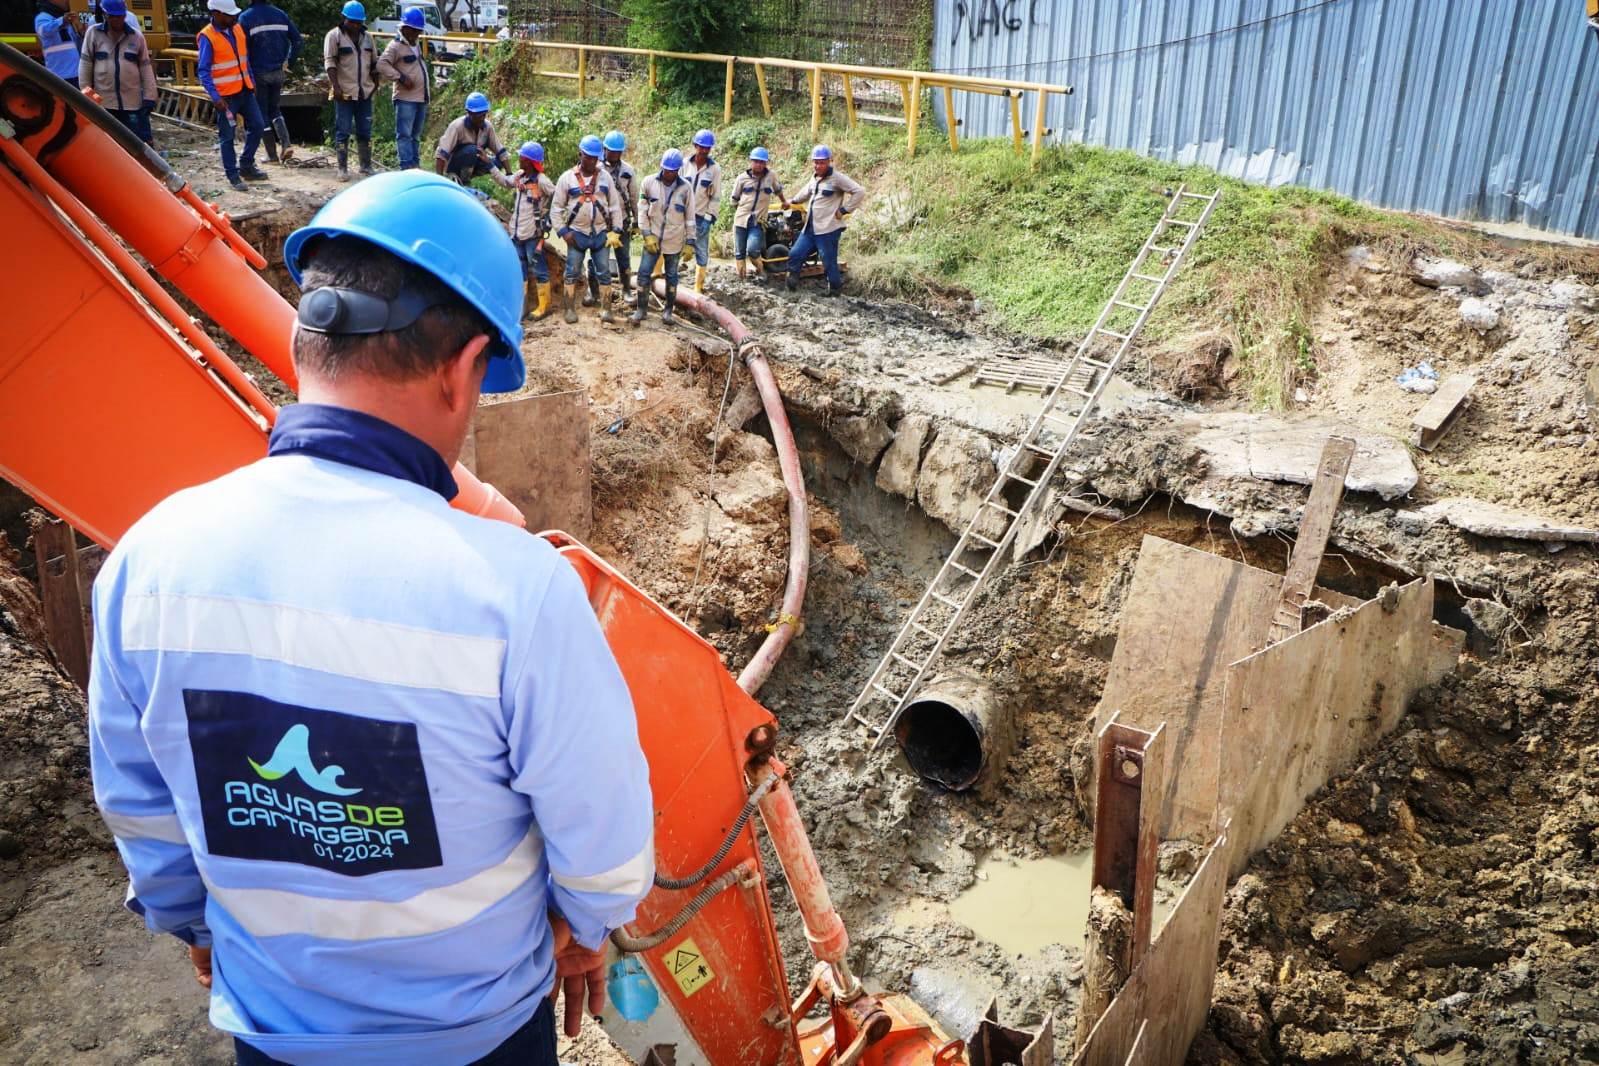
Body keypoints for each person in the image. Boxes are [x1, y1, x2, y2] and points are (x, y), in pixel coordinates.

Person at [88, 170, 655, 1066]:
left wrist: (192, 922)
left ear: (307, 338)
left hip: (274, 1033)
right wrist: (587, 930)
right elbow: (604, 840)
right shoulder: (515, 589)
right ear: (466, 368)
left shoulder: (147, 561)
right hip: (475, 1038)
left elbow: (142, 805)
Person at [551, 133, 623, 325]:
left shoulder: (605, 177)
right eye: (588, 156)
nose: (591, 161)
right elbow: (556, 209)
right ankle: (569, 309)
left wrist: (616, 230)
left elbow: (615, 206)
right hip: (576, 234)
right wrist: (563, 232)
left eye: (595, 158)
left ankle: (606, 309)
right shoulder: (567, 179)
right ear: (580, 154)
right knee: (572, 271)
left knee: (604, 271)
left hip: (600, 233)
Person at [197, 0, 268, 193]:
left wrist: (251, 82)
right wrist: (215, 96)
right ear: (217, 13)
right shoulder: (207, 36)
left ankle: (246, 165)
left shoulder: (237, 30)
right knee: (227, 137)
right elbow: (203, 71)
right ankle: (233, 175)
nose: (234, 17)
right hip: (226, 98)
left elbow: (245, 60)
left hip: (244, 90)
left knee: (258, 125)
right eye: (230, 15)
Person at [785, 144, 864, 297]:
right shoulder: (814, 177)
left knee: (828, 261)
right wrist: (792, 201)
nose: (818, 165)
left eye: (821, 162)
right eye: (816, 162)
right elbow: (805, 192)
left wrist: (844, 210)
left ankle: (834, 291)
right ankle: (791, 286)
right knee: (795, 254)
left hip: (828, 229)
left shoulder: (837, 178)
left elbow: (859, 191)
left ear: (829, 161)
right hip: (810, 227)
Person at [78, 0, 156, 145]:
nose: (117, 20)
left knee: (135, 142)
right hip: (104, 103)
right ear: (106, 15)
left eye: (120, 16)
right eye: (113, 17)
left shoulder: (136, 37)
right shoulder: (93, 34)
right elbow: (85, 65)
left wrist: (150, 97)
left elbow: (145, 68)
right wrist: (87, 95)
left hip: (131, 103)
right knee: (107, 144)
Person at [495, 140, 556, 321]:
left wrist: (550, 219)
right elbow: (505, 181)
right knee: (519, 269)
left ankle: (544, 306)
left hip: (532, 234)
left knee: (539, 269)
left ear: (529, 161)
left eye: (522, 157)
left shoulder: (542, 181)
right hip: (517, 233)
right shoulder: (520, 176)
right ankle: (522, 307)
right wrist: (490, 166)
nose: (519, 160)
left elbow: (558, 197)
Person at [631, 148, 692, 328]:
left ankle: (668, 311)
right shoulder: (649, 183)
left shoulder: (685, 188)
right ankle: (641, 309)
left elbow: (690, 217)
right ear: (661, 167)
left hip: (674, 239)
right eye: (666, 170)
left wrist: (690, 242)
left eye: (673, 171)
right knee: (643, 273)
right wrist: (647, 234)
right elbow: (642, 211)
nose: (669, 174)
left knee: (672, 276)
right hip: (654, 238)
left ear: (679, 170)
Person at [237, 0, 301, 164]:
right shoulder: (280, 14)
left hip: (258, 72)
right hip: (278, 71)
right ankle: (286, 144)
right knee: (274, 109)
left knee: (262, 111)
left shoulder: (245, 18)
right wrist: (289, 62)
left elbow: (241, 49)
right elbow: (297, 40)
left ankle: (271, 155)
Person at [323, 0, 378, 180]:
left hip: (365, 92)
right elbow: (330, 62)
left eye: (358, 22)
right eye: (352, 22)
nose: (355, 26)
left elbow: (374, 63)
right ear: (344, 18)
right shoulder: (334, 36)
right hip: (344, 92)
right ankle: (342, 168)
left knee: (365, 130)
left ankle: (366, 165)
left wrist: (375, 85)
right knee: (343, 130)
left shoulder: (368, 38)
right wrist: (336, 87)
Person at [585, 129, 636, 307]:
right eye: (611, 151)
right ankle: (593, 292)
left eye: (618, 151)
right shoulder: (595, 168)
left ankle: (627, 291)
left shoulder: (628, 171)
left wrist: (637, 221)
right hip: (600, 222)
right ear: (604, 149)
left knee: (624, 258)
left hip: (621, 221)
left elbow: (634, 197)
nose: (614, 154)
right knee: (597, 259)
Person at [376, 6, 429, 170]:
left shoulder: (416, 44)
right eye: (414, 31)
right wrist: (400, 77)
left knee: (415, 136)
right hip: (405, 99)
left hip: (421, 97)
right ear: (405, 28)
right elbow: (382, 64)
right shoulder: (395, 46)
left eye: (418, 31)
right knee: (404, 134)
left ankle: (415, 166)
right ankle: (406, 166)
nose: (416, 35)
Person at [729, 145, 785, 283]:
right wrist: (742, 211)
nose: (759, 165)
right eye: (756, 161)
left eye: (762, 162)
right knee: (739, 252)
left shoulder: (771, 176)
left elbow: (778, 190)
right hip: (741, 220)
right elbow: (734, 200)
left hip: (758, 221)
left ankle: (761, 271)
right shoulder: (742, 178)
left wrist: (784, 202)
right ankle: (742, 278)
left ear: (766, 163)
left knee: (753, 249)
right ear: (750, 161)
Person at [680, 128, 720, 294]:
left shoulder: (714, 169)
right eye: (701, 147)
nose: (703, 151)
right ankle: (666, 278)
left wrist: (709, 218)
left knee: (702, 251)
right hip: (681, 214)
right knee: (673, 246)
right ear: (694, 145)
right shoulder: (683, 164)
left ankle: (698, 287)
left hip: (700, 216)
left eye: (707, 148)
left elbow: (716, 196)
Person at [434, 92, 507, 182]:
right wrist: (440, 180)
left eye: (484, 114)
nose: (482, 118)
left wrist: (509, 174)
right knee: (472, 150)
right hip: (454, 164)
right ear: (470, 113)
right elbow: (441, 155)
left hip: (474, 162)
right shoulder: (457, 126)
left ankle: (469, 175)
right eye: (479, 115)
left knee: (499, 162)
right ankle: (460, 180)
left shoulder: (487, 127)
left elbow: (501, 152)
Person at [33, 0, 81, 87]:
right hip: (59, 75)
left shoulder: (64, 18)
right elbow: (45, 31)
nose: (67, 1)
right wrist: (62, 21)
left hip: (75, 73)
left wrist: (81, 32)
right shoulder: (42, 17)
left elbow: (74, 43)